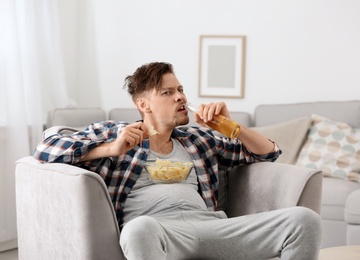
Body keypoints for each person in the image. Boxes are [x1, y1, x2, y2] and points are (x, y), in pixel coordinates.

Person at [34, 62, 323, 259]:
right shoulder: (115, 132)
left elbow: (267, 153)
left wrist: (231, 126)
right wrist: (111, 148)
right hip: (160, 232)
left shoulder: (197, 139)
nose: (180, 97)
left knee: (303, 219)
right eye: (167, 92)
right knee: (137, 229)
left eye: (181, 89)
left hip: (212, 227)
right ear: (143, 104)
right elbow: (47, 147)